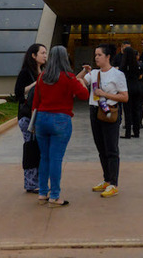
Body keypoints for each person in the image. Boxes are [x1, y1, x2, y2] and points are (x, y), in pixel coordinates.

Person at [32, 45, 90, 207]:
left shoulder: (42, 77)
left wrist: (34, 123)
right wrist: (81, 82)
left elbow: (36, 102)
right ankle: (54, 196)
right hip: (61, 120)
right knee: (56, 158)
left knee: (44, 157)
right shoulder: (68, 77)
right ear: (65, 58)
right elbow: (84, 95)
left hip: (41, 119)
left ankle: (42, 193)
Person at [84, 43, 129, 198]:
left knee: (111, 149)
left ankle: (113, 184)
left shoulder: (117, 74)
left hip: (110, 112)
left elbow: (124, 97)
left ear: (108, 56)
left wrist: (105, 94)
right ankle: (106, 179)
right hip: (94, 111)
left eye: (99, 55)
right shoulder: (94, 73)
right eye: (95, 55)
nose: (96, 57)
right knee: (101, 148)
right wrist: (84, 71)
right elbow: (79, 82)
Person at [14, 43, 47, 193]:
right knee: (31, 149)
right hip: (27, 117)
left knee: (38, 149)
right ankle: (31, 183)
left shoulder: (43, 71)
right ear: (33, 55)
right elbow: (18, 93)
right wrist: (36, 83)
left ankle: (37, 181)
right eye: (42, 53)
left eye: (45, 53)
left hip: (39, 115)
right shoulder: (26, 73)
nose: (45, 56)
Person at [119, 45, 143, 139]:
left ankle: (128, 133)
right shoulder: (138, 65)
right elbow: (142, 75)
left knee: (127, 111)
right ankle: (136, 132)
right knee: (136, 110)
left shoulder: (124, 66)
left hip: (128, 88)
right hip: (137, 87)